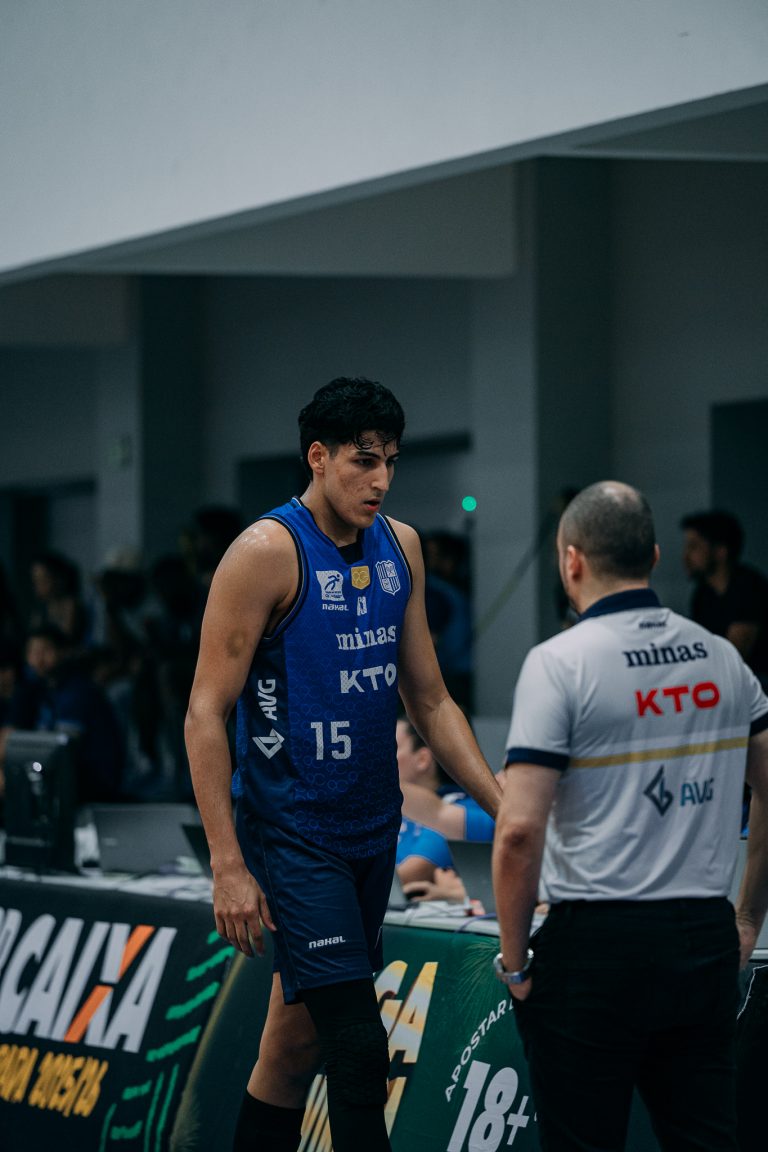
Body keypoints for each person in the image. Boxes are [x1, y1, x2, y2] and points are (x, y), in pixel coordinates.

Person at [184, 377, 501, 1152]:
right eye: (364, 461)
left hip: (371, 828)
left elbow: (430, 700)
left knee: (292, 1049)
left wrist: (504, 805)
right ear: (318, 457)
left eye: (390, 461)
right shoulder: (265, 552)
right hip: (293, 833)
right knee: (358, 1050)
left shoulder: (403, 546)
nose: (381, 479)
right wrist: (227, 863)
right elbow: (204, 713)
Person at [493, 480, 768, 1152]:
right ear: (653, 556)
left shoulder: (560, 663)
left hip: (596, 947)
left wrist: (516, 962)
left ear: (571, 561)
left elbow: (519, 831)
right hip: (703, 939)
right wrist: (744, 918)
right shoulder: (723, 658)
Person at [681, 509, 768, 687]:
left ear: (721, 551)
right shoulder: (703, 594)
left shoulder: (749, 588)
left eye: (694, 546)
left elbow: (735, 656)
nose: (686, 556)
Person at [395, 716, 466, 903]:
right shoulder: (389, 809)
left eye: (391, 748)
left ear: (423, 759)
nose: (379, 757)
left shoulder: (458, 809)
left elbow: (407, 876)